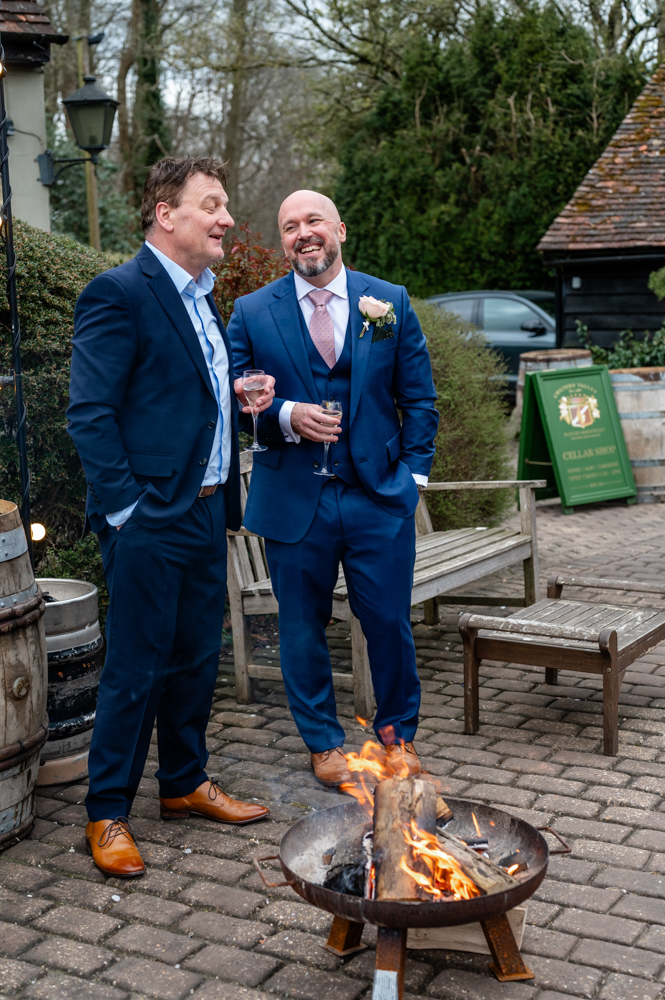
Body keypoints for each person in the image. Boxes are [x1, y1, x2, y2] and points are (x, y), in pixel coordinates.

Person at [68, 156, 274, 878]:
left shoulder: (202, 297)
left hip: (207, 510)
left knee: (194, 656)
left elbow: (177, 392)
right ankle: (107, 811)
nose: (225, 218)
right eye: (211, 205)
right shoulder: (119, 292)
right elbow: (89, 414)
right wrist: (128, 509)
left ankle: (184, 782)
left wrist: (235, 390)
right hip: (150, 516)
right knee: (135, 666)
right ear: (166, 214)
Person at [227, 190, 439, 787]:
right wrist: (287, 416)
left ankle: (397, 739)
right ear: (283, 240)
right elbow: (240, 398)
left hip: (377, 494)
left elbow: (419, 398)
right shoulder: (251, 311)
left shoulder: (387, 301)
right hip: (295, 498)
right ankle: (322, 742)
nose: (303, 233)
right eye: (290, 226)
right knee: (299, 627)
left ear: (339, 229)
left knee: (390, 624)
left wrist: (412, 477)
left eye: (313, 220)